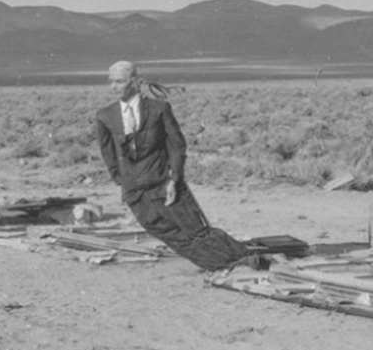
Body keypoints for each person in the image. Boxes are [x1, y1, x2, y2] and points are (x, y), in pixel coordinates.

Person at [94, 60, 266, 273]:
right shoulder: (105, 116)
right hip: (136, 193)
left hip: (165, 185)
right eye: (111, 81)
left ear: (135, 82)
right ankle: (223, 263)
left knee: (196, 231)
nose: (114, 87)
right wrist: (123, 183)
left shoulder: (158, 109)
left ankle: (243, 259)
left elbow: (177, 146)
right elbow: (108, 154)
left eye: (119, 81)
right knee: (170, 235)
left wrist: (174, 179)